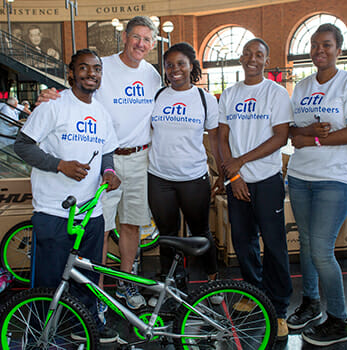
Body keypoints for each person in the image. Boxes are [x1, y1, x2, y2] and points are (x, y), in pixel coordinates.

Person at [37, 16, 162, 312]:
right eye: (136, 37)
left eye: (147, 39)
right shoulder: (102, 66)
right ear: (124, 36)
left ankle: (126, 281)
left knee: (132, 225)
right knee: (100, 229)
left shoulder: (153, 75)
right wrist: (49, 96)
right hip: (104, 159)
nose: (140, 44)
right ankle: (98, 292)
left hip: (140, 157)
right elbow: (75, 92)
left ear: (153, 44)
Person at [14, 49, 122, 343]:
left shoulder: (101, 112)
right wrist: (59, 165)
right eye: (84, 68)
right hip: (54, 211)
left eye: (97, 69)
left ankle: (84, 326)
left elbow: (107, 152)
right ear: (71, 73)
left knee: (85, 279)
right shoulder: (53, 106)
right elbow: (22, 146)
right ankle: (39, 334)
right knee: (47, 283)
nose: (92, 74)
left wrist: (108, 173)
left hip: (91, 213)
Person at [218, 38, 293, 341]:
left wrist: (241, 163)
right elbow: (222, 138)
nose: (252, 58)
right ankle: (255, 292)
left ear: (266, 59)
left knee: (274, 245)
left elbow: (281, 137)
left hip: (266, 180)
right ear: (241, 58)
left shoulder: (275, 93)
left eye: (258, 54)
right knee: (243, 241)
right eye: (247, 53)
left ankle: (279, 308)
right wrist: (234, 177)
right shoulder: (229, 94)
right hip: (238, 182)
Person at [286, 23, 347, 346]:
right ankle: (310, 303)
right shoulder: (301, 87)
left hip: (334, 180)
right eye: (314, 45)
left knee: (323, 251)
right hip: (299, 178)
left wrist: (309, 138)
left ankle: (339, 318)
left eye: (326, 45)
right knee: (307, 246)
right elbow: (292, 135)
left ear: (338, 49)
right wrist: (314, 134)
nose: (318, 51)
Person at [148, 42, 223, 287]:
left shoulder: (205, 99)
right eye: (169, 65)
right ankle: (172, 284)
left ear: (191, 66)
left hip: (193, 178)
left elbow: (215, 139)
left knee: (200, 232)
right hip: (159, 178)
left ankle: (214, 281)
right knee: (167, 236)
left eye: (180, 63)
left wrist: (221, 173)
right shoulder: (158, 96)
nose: (174, 69)